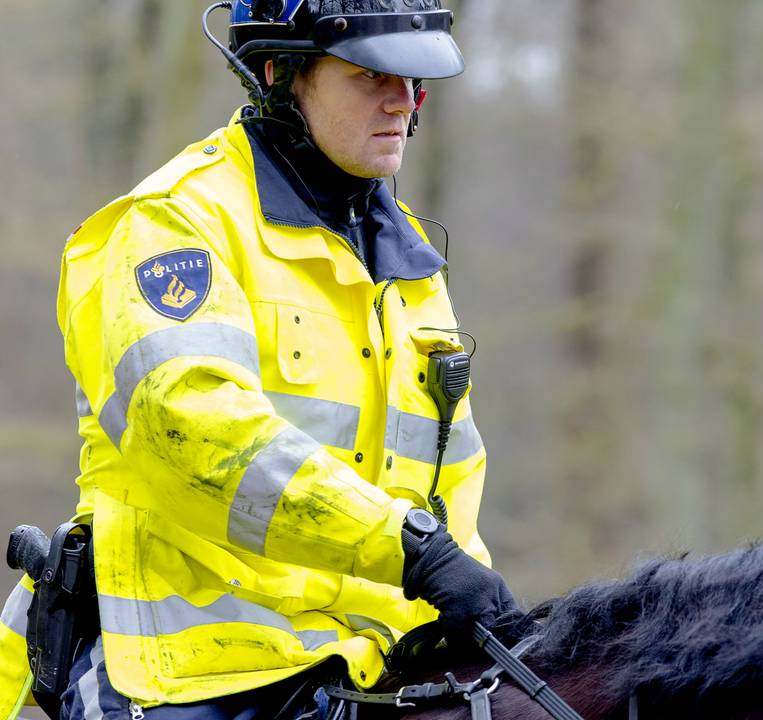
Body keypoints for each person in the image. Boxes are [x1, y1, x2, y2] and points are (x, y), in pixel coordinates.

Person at [0, 0, 517, 717]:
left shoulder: (409, 267)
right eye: (373, 76)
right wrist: (411, 551)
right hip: (188, 674)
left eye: (415, 81)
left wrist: (470, 600)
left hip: (368, 667)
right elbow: (194, 430)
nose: (402, 101)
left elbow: (449, 482)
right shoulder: (175, 223)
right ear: (280, 74)